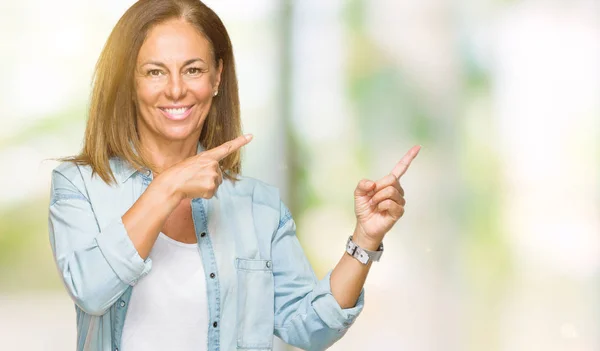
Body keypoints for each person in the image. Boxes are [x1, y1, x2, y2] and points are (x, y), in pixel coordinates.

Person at [47, 0, 420, 350]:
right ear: (130, 82)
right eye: (155, 71)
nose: (176, 89)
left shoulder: (258, 205)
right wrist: (169, 185)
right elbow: (91, 290)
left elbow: (309, 328)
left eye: (193, 70)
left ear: (217, 78)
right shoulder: (81, 185)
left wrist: (365, 239)